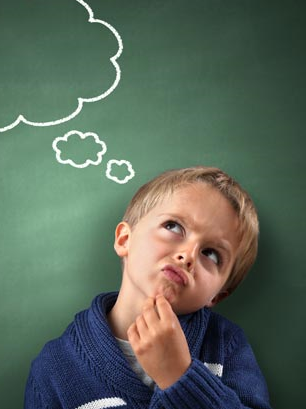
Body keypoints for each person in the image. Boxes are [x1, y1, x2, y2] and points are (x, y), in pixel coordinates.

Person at [25, 167, 271, 409]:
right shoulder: (55, 367)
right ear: (125, 240)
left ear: (217, 295)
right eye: (174, 227)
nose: (188, 255)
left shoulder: (225, 344)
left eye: (211, 254)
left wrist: (180, 376)